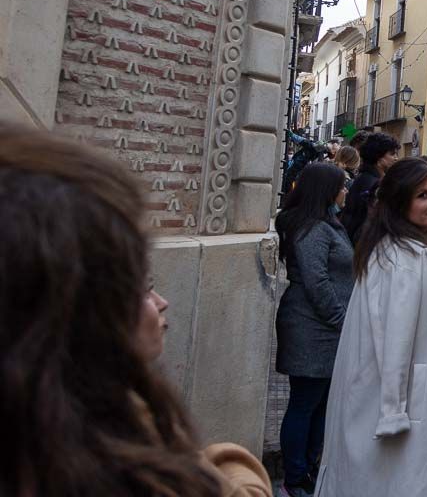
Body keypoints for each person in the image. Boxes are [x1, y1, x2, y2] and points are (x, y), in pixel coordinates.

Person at [0, 125, 271, 497]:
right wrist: (227, 466)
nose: (162, 301)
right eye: (141, 285)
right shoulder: (110, 465)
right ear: (81, 314)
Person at [315, 159, 427, 497]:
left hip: (393, 399)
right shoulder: (408, 259)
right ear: (399, 202)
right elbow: (394, 338)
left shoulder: (393, 249)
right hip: (401, 406)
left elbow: (412, 320)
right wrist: (393, 412)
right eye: (423, 195)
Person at [274, 163, 354, 497]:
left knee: (321, 401)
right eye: (342, 185)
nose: (346, 191)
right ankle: (295, 477)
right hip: (312, 327)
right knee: (305, 401)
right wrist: (341, 319)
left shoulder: (329, 224)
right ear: (326, 190)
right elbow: (316, 281)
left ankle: (309, 467)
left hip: (327, 328)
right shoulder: (312, 229)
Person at [343, 132, 401, 244]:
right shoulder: (373, 184)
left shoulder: (364, 178)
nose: (396, 158)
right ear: (378, 157)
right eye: (392, 154)